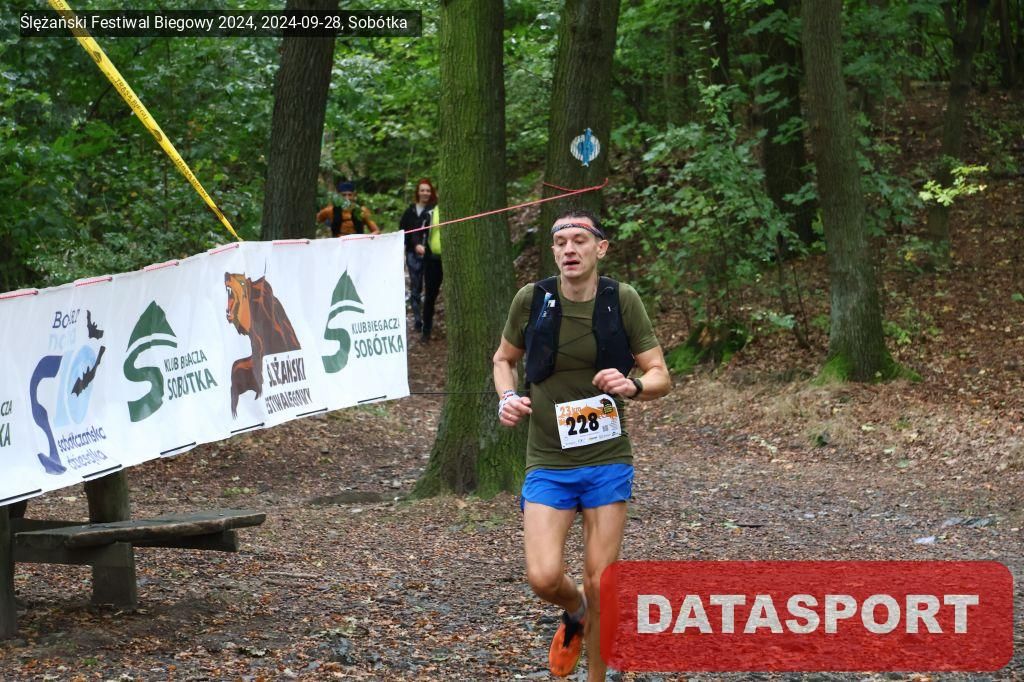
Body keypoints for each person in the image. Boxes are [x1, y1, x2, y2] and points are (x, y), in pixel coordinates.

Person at [492, 208, 670, 681]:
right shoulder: (532, 300)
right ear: (553, 251)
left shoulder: (620, 299)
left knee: (600, 579)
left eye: (580, 240)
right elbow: (503, 359)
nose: (569, 249)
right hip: (548, 460)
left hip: (606, 458)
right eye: (561, 242)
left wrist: (633, 385)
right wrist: (506, 397)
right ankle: (576, 611)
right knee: (543, 576)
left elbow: (660, 374)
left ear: (600, 248)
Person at [399, 179, 437, 332]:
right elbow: (403, 232)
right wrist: (414, 245)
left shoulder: (434, 210)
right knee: (415, 286)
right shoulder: (410, 211)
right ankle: (417, 319)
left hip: (430, 255)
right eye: (422, 190)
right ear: (418, 192)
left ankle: (427, 321)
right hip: (412, 254)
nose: (425, 193)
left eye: (428, 190)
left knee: (429, 288)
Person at [420, 203, 443, 342]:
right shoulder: (431, 212)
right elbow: (420, 231)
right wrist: (417, 244)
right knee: (430, 296)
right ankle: (426, 331)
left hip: (452, 260)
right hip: (433, 260)